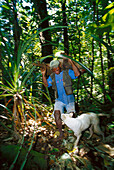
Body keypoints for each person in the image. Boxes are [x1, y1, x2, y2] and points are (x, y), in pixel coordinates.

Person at [41, 58, 80, 139]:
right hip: (59, 99)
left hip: (69, 99)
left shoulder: (67, 72)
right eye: (54, 70)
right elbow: (46, 85)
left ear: (60, 66)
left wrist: (72, 63)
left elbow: (77, 74)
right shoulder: (52, 76)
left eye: (57, 69)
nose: (56, 71)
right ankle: (61, 133)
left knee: (71, 116)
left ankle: (73, 133)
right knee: (56, 115)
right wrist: (43, 74)